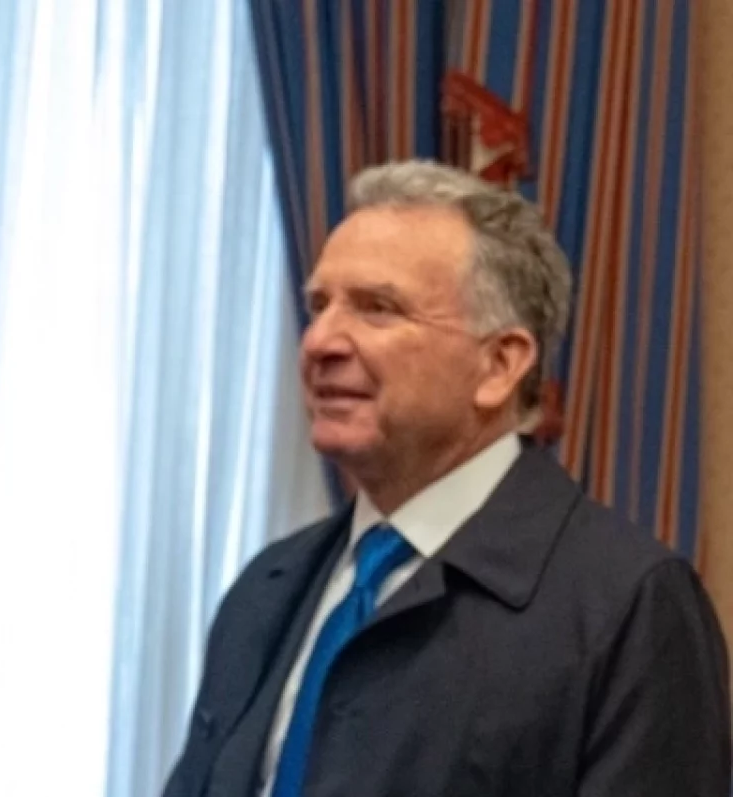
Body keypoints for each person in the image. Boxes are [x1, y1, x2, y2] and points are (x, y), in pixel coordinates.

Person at [162, 161, 731, 797]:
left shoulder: (627, 605)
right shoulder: (268, 587)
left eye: (377, 309)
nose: (320, 341)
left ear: (500, 365)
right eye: (319, 305)